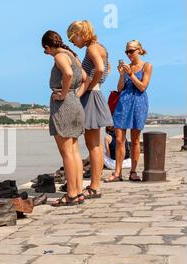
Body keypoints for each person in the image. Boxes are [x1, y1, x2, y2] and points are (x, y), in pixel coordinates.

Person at [67, 20, 113, 199]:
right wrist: (96, 83)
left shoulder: (92, 48)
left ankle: (94, 186)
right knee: (96, 144)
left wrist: (89, 86)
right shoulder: (100, 47)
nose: (73, 43)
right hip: (96, 95)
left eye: (73, 39)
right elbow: (106, 69)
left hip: (91, 97)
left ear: (80, 34)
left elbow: (101, 69)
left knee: (92, 145)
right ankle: (96, 184)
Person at [42, 30, 86, 206]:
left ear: (47, 46)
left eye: (45, 50)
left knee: (66, 153)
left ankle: (71, 194)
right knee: (74, 152)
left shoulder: (59, 56)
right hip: (75, 103)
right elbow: (84, 77)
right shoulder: (72, 55)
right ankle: (79, 191)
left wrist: (63, 94)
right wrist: (75, 94)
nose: (46, 54)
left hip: (64, 106)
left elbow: (67, 74)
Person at [105, 40, 153, 182]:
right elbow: (120, 89)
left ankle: (133, 171)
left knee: (136, 139)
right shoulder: (126, 68)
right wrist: (121, 75)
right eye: (127, 51)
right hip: (123, 103)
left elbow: (142, 87)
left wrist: (131, 74)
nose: (129, 54)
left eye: (131, 51)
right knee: (119, 139)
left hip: (139, 102)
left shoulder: (147, 66)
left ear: (139, 50)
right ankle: (117, 173)